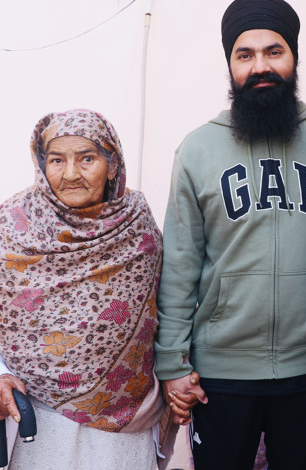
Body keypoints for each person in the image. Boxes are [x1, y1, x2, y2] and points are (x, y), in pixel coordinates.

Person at [154, 0, 306, 470]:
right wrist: (173, 366)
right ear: (231, 65)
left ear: (294, 57)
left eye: (273, 51)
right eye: (245, 55)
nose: (260, 66)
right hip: (221, 374)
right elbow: (179, 265)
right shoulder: (197, 150)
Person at [0, 109, 167, 469]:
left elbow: (165, 311)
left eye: (87, 158)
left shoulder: (137, 223)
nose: (71, 174)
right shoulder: (11, 225)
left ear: (112, 164)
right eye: (57, 160)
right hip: (35, 423)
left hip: (124, 425)